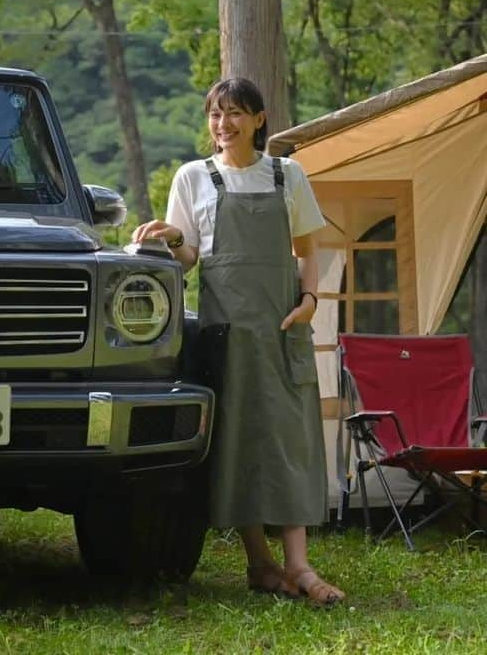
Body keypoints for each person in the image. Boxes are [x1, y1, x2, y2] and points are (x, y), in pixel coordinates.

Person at [132, 77, 344, 606]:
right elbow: (188, 259)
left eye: (234, 114)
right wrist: (171, 237)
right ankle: (261, 563)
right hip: (228, 334)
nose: (223, 125)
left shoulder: (287, 175)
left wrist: (311, 301)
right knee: (239, 441)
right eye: (215, 115)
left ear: (257, 119)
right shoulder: (193, 177)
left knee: (289, 439)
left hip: (282, 327)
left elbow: (306, 250)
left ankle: (299, 566)